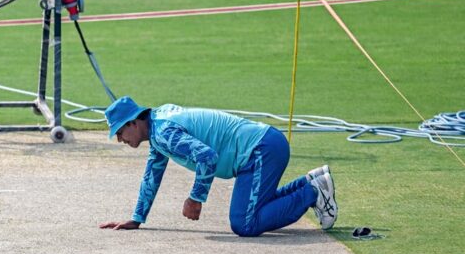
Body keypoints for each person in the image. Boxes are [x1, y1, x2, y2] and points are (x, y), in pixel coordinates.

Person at [98, 97, 337, 237]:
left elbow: (208, 157)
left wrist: (195, 198)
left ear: (134, 122)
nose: (120, 139)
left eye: (120, 132)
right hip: (261, 148)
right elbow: (152, 175)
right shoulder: (157, 131)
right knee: (252, 212)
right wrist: (137, 218)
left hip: (261, 150)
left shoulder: (163, 133)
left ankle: (313, 193)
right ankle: (311, 183)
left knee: (245, 223)